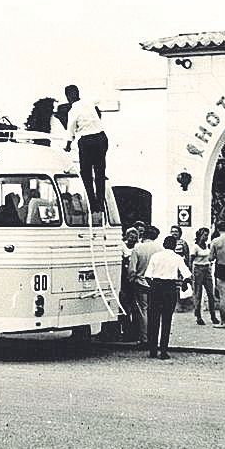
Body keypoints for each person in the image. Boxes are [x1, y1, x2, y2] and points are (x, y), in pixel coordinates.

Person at [144, 235, 192, 359]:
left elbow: (147, 276)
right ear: (175, 246)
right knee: (167, 319)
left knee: (153, 319)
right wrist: (184, 284)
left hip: (156, 287)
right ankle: (164, 351)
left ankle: (152, 350)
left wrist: (153, 286)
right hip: (170, 288)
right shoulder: (177, 258)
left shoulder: (155, 256)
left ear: (164, 244)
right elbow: (187, 274)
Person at [63, 84, 108, 214]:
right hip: (101, 138)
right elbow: (98, 114)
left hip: (87, 141)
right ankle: (100, 203)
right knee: (100, 173)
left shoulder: (73, 111)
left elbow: (70, 130)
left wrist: (68, 145)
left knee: (86, 174)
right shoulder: (89, 104)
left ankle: (93, 204)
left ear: (68, 97)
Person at [127, 225, 163, 348]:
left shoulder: (138, 248)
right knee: (155, 310)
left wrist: (131, 279)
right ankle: (154, 337)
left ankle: (144, 338)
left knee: (143, 310)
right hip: (156, 283)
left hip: (141, 282)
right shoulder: (160, 249)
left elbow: (132, 269)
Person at [190, 227, 218, 326]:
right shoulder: (195, 247)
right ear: (200, 235)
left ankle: (213, 315)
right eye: (205, 235)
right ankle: (198, 316)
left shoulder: (207, 246)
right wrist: (190, 274)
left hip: (207, 269)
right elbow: (191, 260)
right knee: (198, 294)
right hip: (198, 270)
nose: (206, 237)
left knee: (211, 293)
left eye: (207, 235)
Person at [119, 227, 141, 341]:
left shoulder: (138, 247)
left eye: (134, 236)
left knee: (134, 305)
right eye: (130, 236)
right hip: (124, 279)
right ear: (127, 236)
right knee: (124, 305)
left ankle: (135, 330)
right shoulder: (122, 245)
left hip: (133, 279)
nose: (132, 238)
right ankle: (126, 330)